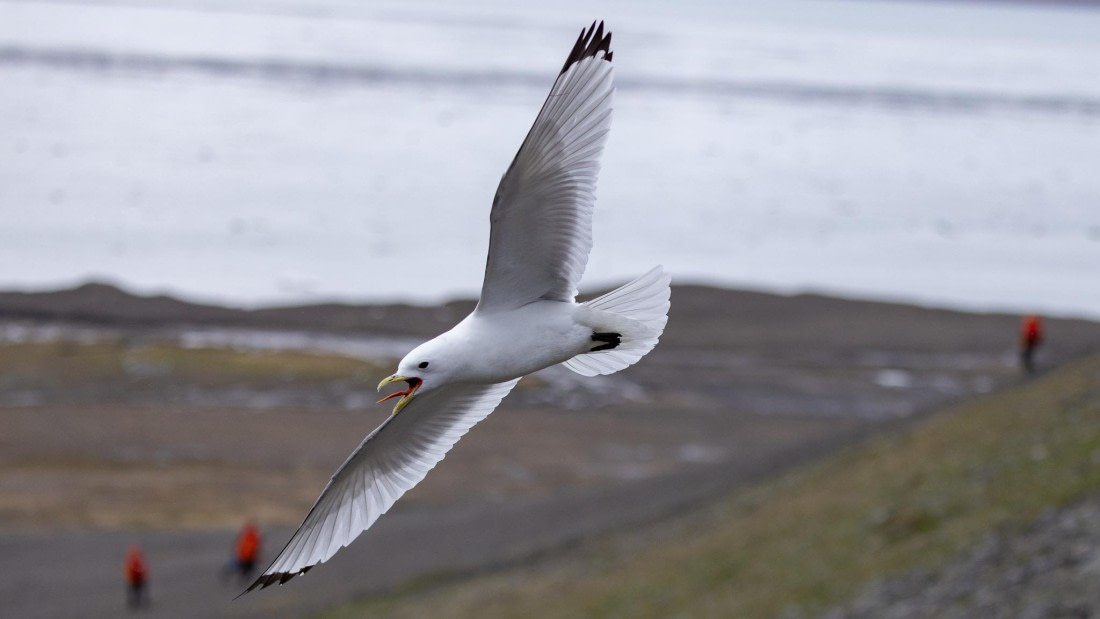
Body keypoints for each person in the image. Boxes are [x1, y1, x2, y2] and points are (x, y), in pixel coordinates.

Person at [124, 544, 148, 610]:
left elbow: (128, 569)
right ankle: (136, 602)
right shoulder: (138, 560)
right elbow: (143, 569)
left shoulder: (132, 560)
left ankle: (134, 602)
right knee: (137, 591)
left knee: (134, 591)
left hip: (134, 579)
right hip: (137, 579)